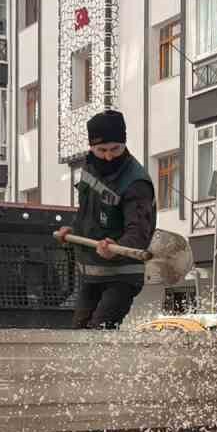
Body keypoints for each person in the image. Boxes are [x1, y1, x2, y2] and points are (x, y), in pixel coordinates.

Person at [59, 110, 157, 329]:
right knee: (77, 336)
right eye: (101, 150)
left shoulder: (136, 181)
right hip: (92, 272)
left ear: (124, 144)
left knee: (98, 335)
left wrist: (118, 247)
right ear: (91, 147)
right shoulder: (89, 168)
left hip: (123, 274)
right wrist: (73, 231)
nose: (109, 156)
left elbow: (140, 231)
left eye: (116, 149)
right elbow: (89, 214)